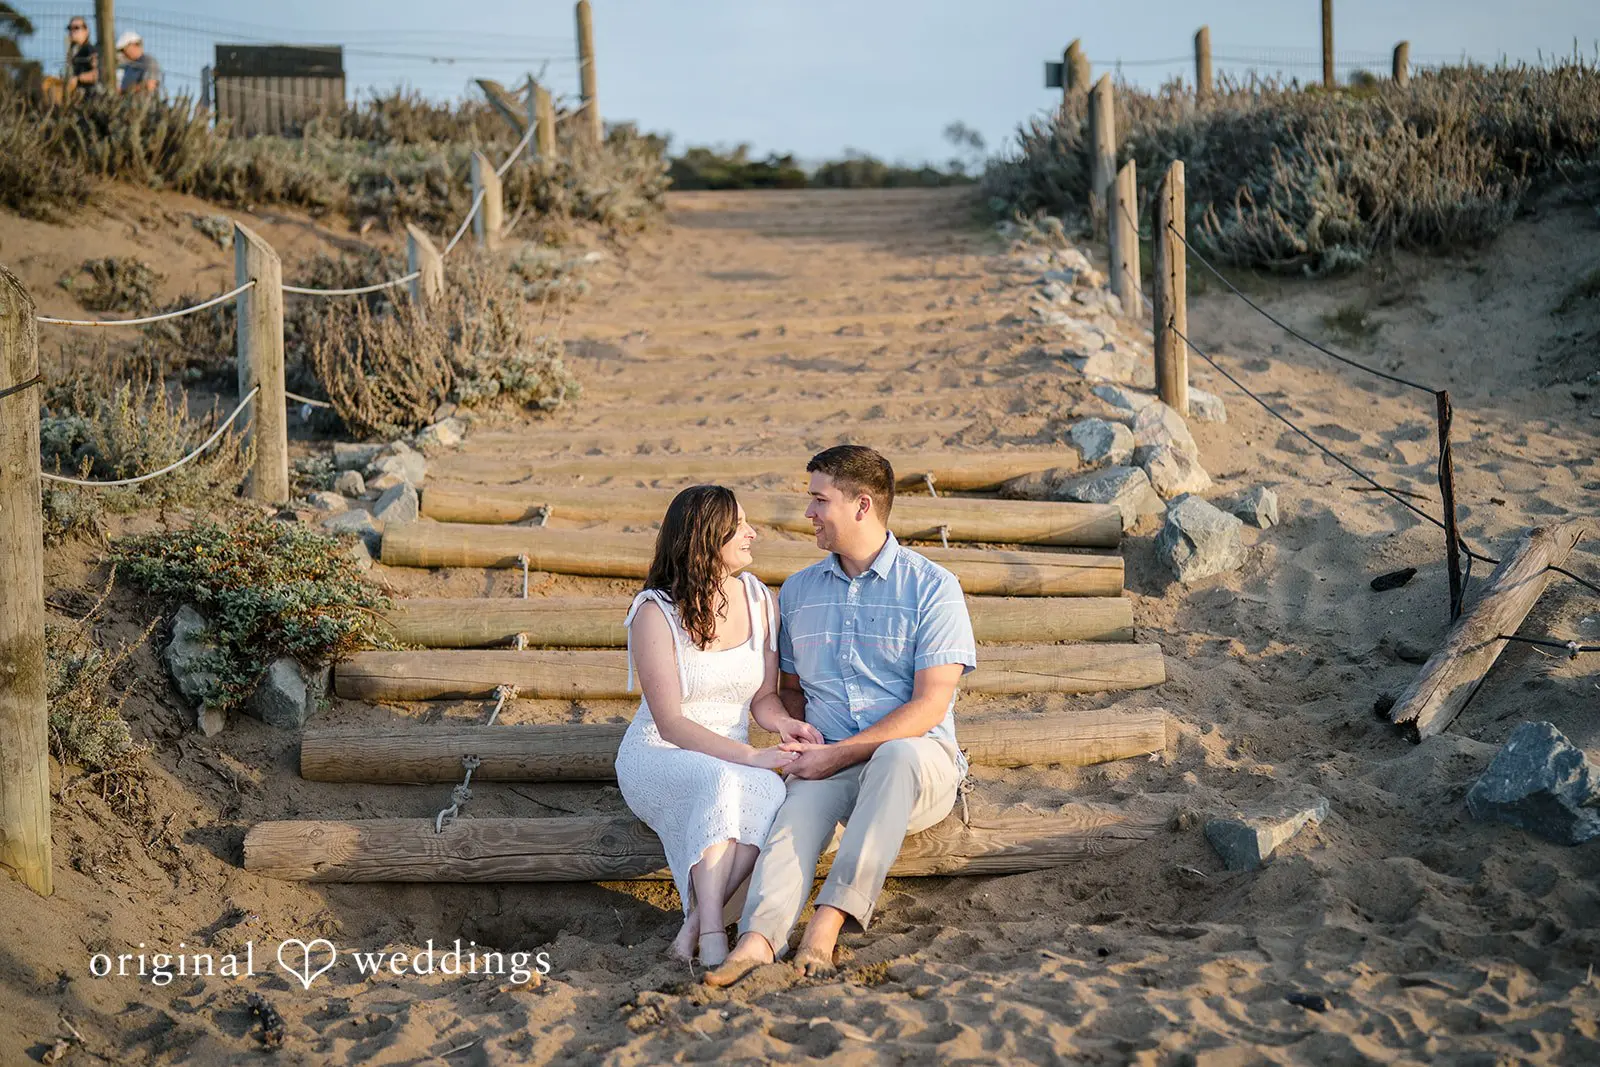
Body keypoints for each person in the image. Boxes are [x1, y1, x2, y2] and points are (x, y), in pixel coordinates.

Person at [706, 445, 977, 986]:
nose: (807, 513)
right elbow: (789, 690)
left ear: (862, 505)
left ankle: (826, 927)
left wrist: (839, 753)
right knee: (794, 817)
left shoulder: (933, 587)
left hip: (917, 766)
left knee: (897, 756)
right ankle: (758, 941)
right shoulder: (800, 591)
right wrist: (804, 739)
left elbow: (930, 705)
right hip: (829, 760)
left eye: (818, 500)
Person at [614, 485, 825, 967]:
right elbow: (669, 723)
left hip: (730, 752)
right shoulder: (654, 611)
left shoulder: (757, 598)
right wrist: (753, 757)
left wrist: (787, 726)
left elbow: (764, 698)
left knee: (768, 793)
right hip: (659, 753)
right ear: (706, 539)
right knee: (722, 781)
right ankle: (712, 933)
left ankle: (690, 932)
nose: (753, 533)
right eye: (739, 527)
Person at [64, 16, 101, 95]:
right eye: (69, 28)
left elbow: (97, 74)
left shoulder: (89, 50)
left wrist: (78, 79)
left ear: (86, 31)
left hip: (91, 98)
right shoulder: (74, 51)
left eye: (76, 28)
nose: (72, 31)